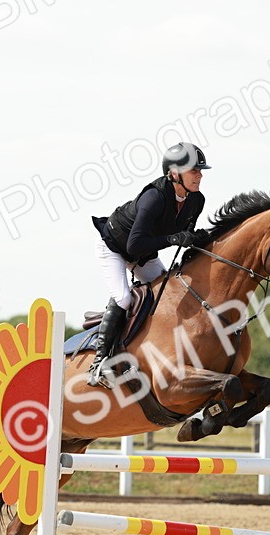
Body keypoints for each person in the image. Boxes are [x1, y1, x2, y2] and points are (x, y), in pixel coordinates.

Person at [87, 142, 213, 386]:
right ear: (175, 173)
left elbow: (185, 234)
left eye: (200, 171)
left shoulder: (196, 200)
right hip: (114, 246)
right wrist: (172, 239)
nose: (199, 175)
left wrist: (197, 238)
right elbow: (134, 245)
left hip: (144, 253)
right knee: (124, 299)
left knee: (166, 294)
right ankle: (99, 363)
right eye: (193, 171)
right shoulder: (154, 197)